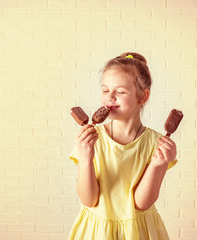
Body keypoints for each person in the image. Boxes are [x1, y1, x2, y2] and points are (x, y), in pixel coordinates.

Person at [68, 52, 178, 239]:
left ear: (142, 96)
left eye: (120, 92)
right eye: (105, 90)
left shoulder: (156, 144)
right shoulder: (91, 139)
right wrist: (86, 157)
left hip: (138, 231)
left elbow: (142, 203)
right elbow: (89, 199)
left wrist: (156, 164)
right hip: (97, 231)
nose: (110, 97)